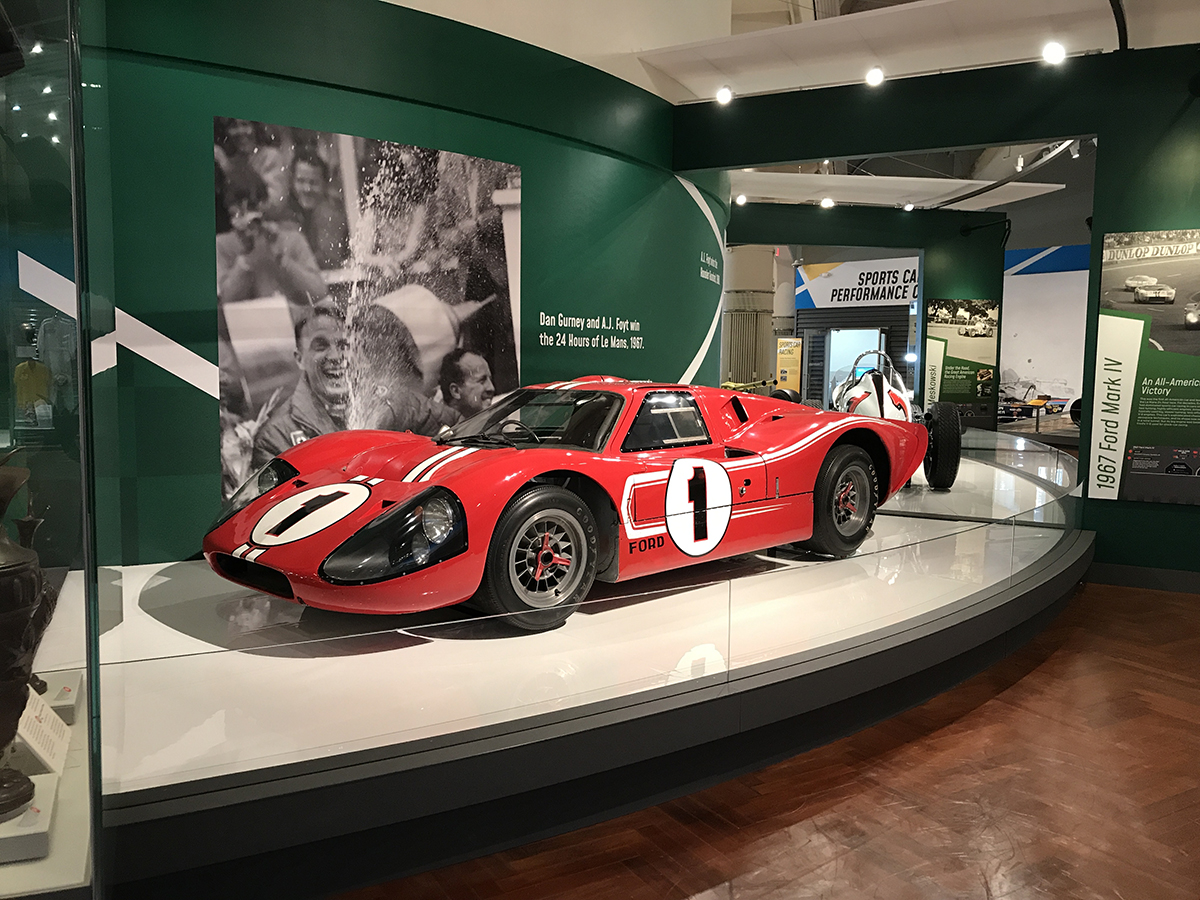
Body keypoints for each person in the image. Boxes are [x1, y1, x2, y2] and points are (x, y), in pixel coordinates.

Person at [251, 304, 349, 468]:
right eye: (321, 346)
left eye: (342, 345)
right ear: (299, 359)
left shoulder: (384, 408)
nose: (336, 356)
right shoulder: (275, 437)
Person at [216, 178, 327, 323]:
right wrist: (246, 261)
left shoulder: (291, 239)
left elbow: (318, 292)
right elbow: (226, 301)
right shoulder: (223, 245)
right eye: (235, 214)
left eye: (251, 209)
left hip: (293, 329)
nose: (244, 222)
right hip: (245, 334)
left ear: (264, 207)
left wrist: (281, 259)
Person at [285, 152, 349, 270]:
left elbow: (329, 261)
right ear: (292, 182)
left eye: (313, 183)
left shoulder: (331, 213)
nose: (307, 189)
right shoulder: (287, 212)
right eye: (300, 181)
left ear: (325, 184)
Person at [439, 348, 495, 421]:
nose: (491, 388)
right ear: (456, 391)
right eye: (482, 380)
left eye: (490, 379)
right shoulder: (436, 430)